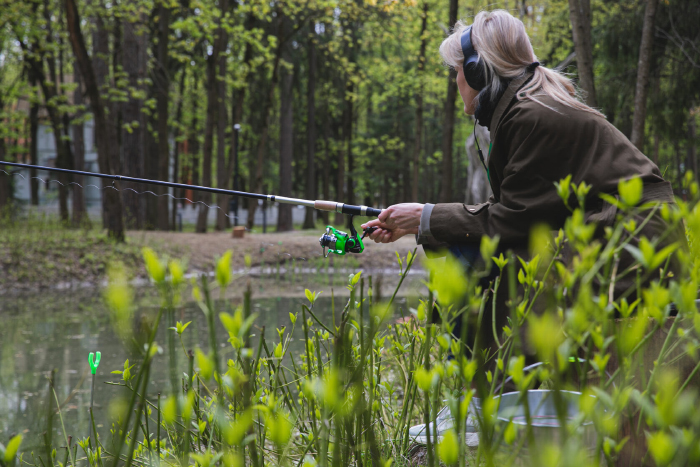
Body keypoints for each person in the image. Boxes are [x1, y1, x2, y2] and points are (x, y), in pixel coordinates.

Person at [361, 9, 684, 446]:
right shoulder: (528, 105)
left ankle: (492, 400)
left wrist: (425, 218)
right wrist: (421, 222)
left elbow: (512, 221)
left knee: (469, 254)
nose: (456, 83)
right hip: (610, 237)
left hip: (624, 247)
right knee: (460, 242)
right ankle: (494, 396)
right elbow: (524, 210)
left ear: (478, 71)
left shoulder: (533, 114)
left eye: (457, 72)